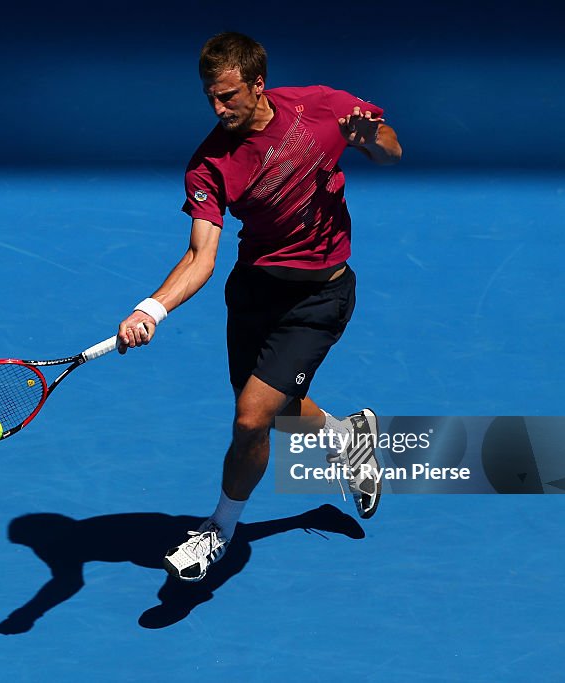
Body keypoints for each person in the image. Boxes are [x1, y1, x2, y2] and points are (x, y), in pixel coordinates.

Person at [116, 32, 402, 582]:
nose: (218, 108)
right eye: (210, 98)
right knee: (272, 409)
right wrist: (151, 308)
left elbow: (392, 149)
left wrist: (370, 139)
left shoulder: (321, 105)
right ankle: (346, 438)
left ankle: (217, 531)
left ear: (257, 84)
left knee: (251, 419)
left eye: (228, 96)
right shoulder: (209, 164)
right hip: (253, 295)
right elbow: (201, 256)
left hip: (319, 296)